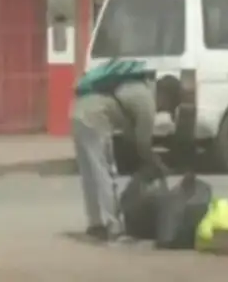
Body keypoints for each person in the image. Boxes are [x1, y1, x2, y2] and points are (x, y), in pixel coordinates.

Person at [71, 62, 180, 241]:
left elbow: (132, 138)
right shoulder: (147, 102)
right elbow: (142, 146)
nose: (164, 110)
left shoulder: (138, 87)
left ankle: (95, 224)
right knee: (105, 172)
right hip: (95, 118)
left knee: (89, 175)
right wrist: (159, 165)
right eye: (169, 105)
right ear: (165, 96)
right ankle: (113, 226)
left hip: (77, 112)